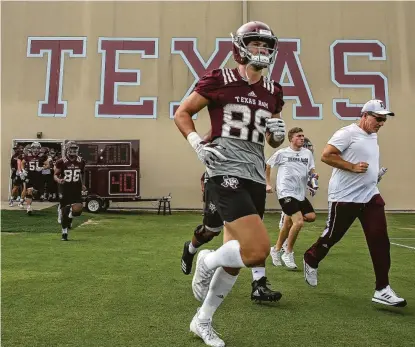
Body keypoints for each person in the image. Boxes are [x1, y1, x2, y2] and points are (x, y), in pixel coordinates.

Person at [174, 21, 286, 347]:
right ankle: (206, 260)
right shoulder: (219, 78)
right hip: (224, 171)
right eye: (255, 45)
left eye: (266, 46)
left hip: (253, 174)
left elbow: (270, 138)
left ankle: (202, 320)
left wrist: (276, 136)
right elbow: (183, 113)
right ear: (239, 46)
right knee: (257, 251)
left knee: (236, 263)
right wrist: (196, 142)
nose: (262, 51)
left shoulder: (273, 91)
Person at [303, 99, 407, 307]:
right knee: (333, 236)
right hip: (344, 196)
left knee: (380, 239)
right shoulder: (346, 133)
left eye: (384, 119)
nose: (381, 123)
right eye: (378, 118)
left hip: (370, 195)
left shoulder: (373, 135)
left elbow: (365, 160)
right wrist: (351, 167)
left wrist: (373, 176)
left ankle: (382, 288)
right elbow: (326, 155)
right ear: (365, 115)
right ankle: (311, 258)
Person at [266, 128, 317, 269]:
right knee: (299, 222)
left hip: (299, 193)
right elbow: (268, 164)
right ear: (291, 139)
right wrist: (268, 183)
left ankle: (275, 250)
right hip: (285, 192)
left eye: (303, 136)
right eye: (299, 136)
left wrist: (313, 178)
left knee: (310, 217)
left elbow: (311, 169)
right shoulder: (282, 153)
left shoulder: (307, 153)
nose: (302, 138)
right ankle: (288, 252)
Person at [54, 141, 86, 241]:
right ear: (67, 149)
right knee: (65, 211)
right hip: (65, 187)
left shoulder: (81, 161)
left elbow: (82, 174)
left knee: (78, 210)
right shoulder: (61, 161)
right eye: (71, 149)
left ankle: (70, 216)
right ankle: (64, 233)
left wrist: (82, 185)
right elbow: (55, 175)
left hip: (76, 187)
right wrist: (59, 180)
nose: (73, 151)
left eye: (75, 149)